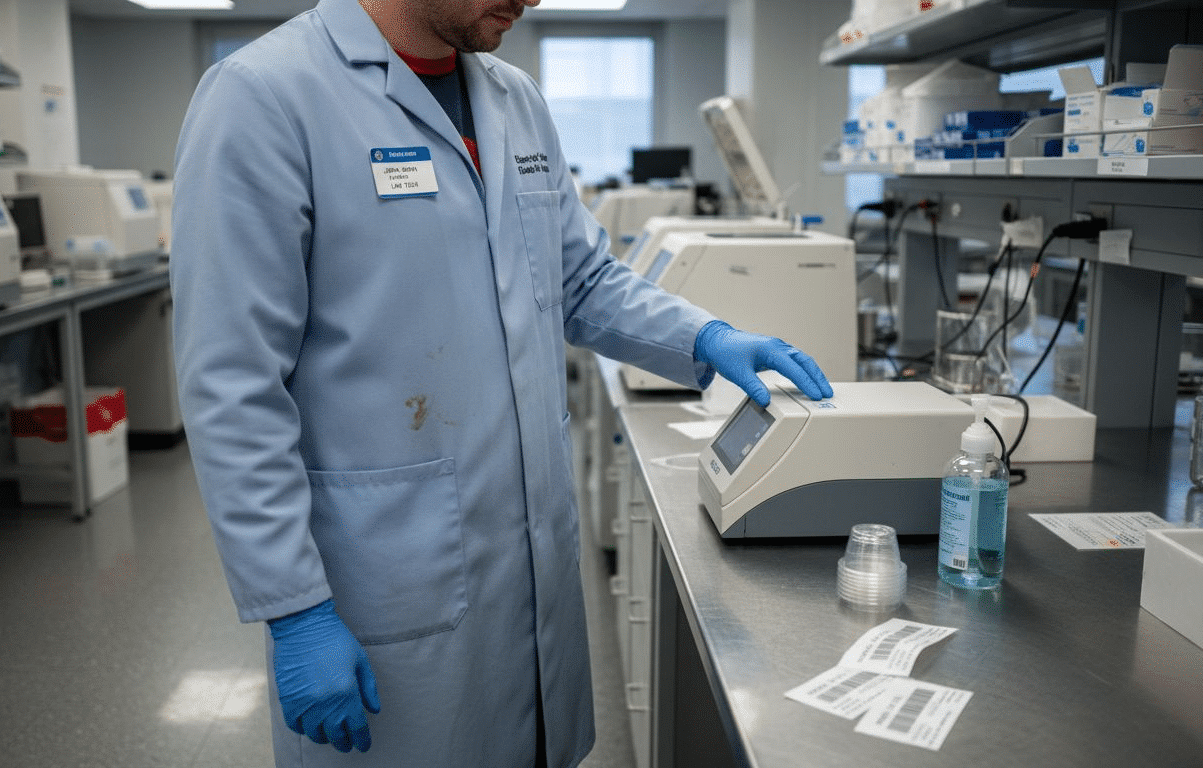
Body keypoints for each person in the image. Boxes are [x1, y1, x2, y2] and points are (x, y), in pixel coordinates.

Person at [169, 1, 834, 766]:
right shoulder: (264, 96)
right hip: (385, 579)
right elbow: (232, 382)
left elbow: (579, 278)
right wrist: (293, 608)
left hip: (528, 567)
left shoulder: (515, 100)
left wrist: (706, 337)